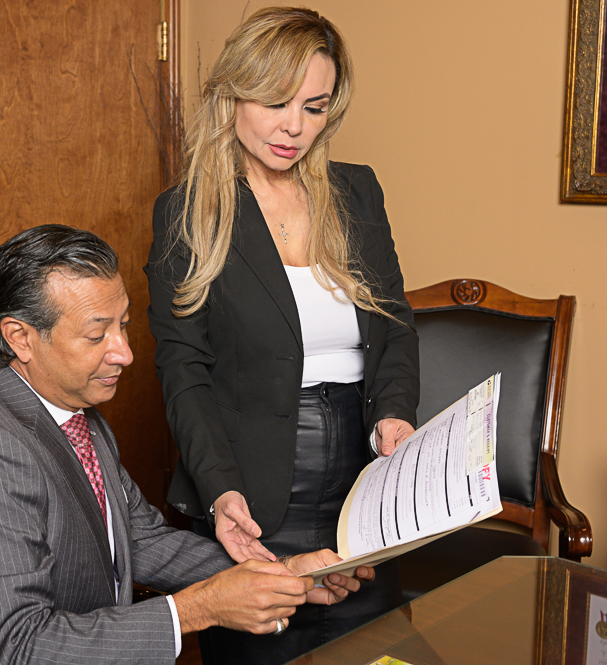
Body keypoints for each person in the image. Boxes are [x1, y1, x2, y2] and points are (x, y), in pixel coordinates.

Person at [0, 224, 374, 664]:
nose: (124, 353)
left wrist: (283, 574)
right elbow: (20, 647)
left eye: (122, 325)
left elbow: (140, 539)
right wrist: (198, 609)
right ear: (19, 338)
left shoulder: (78, 417)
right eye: (96, 334)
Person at [144, 7, 420, 664]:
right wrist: (221, 490)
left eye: (314, 107)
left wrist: (394, 412)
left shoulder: (357, 192)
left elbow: (393, 324)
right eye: (275, 102)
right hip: (252, 491)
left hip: (363, 487)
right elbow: (184, 369)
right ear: (234, 94)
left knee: (377, 652)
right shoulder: (188, 211)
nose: (295, 126)